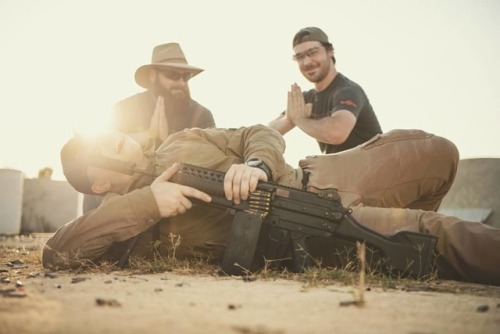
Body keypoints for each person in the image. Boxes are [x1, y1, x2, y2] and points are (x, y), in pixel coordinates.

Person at [43, 125, 500, 286]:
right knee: (431, 233)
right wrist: (149, 201)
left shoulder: (180, 141)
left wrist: (257, 163)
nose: (117, 135)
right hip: (315, 230)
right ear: (100, 178)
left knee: (438, 152)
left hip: (317, 176)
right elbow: (57, 253)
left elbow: (257, 134)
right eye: (105, 142)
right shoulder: (120, 228)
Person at [83, 42, 216, 213]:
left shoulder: (202, 114)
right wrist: (149, 135)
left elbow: (209, 158)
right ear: (153, 75)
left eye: (187, 76)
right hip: (129, 195)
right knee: (100, 178)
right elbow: (103, 153)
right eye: (173, 75)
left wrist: (167, 142)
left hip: (179, 193)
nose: (181, 82)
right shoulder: (125, 108)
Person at [268, 27, 382, 154]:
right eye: (300, 57)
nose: (307, 62)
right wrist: (290, 118)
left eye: (313, 52)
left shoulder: (348, 90)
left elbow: (337, 133)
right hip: (340, 170)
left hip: (375, 169)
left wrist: (299, 120)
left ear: (330, 51)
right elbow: (268, 132)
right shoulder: (307, 99)